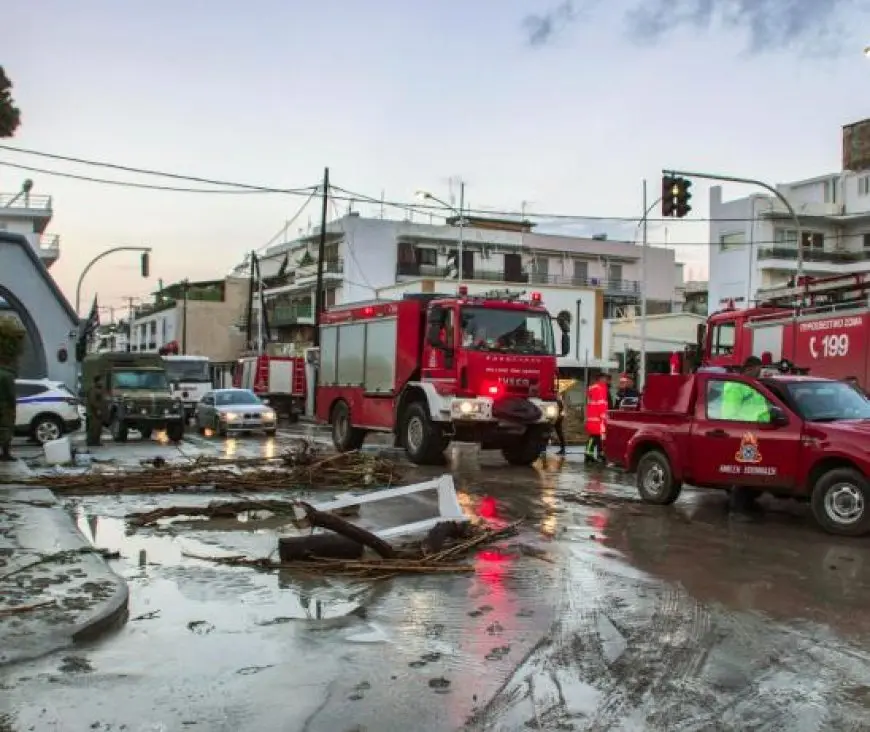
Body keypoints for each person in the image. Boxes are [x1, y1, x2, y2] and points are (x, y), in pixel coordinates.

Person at [584, 373, 609, 464]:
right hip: (598, 418)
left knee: (594, 437)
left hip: (592, 418)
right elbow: (601, 404)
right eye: (605, 379)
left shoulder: (593, 388)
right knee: (598, 438)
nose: (607, 381)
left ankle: (589, 454)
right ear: (601, 379)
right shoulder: (600, 389)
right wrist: (604, 416)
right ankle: (598, 455)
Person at [86, 374, 106, 447]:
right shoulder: (93, 389)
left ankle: (96, 441)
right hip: (94, 412)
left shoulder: (98, 389)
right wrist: (98, 409)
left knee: (98, 428)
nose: (102, 382)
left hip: (97, 411)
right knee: (94, 428)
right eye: (101, 380)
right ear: (97, 381)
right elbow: (93, 401)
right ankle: (92, 442)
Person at [0, 363, 15, 462]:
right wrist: (13, 407)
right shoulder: (7, 375)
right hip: (4, 407)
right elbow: (11, 394)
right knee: (6, 429)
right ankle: (5, 454)